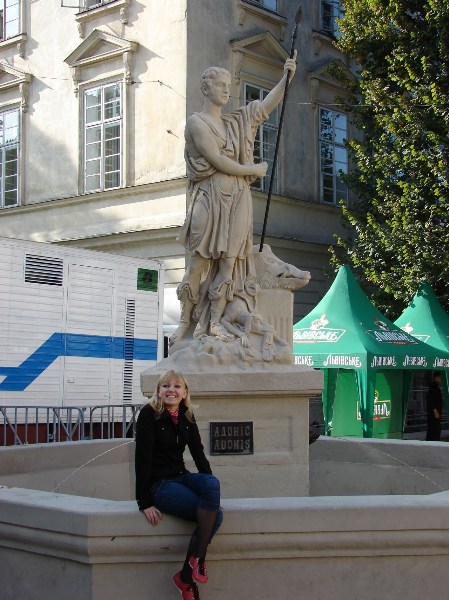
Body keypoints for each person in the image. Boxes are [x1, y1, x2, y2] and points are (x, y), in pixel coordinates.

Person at [171, 53, 297, 345]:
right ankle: (185, 323)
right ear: (206, 88)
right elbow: (217, 160)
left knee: (229, 264)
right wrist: (252, 170)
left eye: (229, 86)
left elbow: (263, 108)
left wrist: (286, 78)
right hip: (209, 196)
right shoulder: (196, 123)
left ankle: (216, 322)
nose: (226, 90)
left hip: (238, 197)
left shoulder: (235, 123)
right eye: (220, 85)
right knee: (198, 263)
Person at [135, 370, 223, 600]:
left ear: (184, 392)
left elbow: (198, 453)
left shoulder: (186, 415)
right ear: (159, 391)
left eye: (176, 386)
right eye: (166, 386)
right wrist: (144, 502)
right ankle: (189, 573)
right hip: (160, 485)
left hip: (181, 476)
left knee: (212, 483)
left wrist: (212, 499)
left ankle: (191, 567)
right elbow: (142, 459)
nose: (171, 390)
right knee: (216, 517)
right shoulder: (149, 414)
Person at [426, 370, 444, 441]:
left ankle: (433, 441)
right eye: (439, 377)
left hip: (436, 412)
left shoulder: (436, 387)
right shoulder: (433, 387)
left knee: (435, 429)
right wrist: (435, 411)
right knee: (434, 429)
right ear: (435, 377)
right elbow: (431, 400)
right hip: (433, 413)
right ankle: (432, 442)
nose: (441, 379)